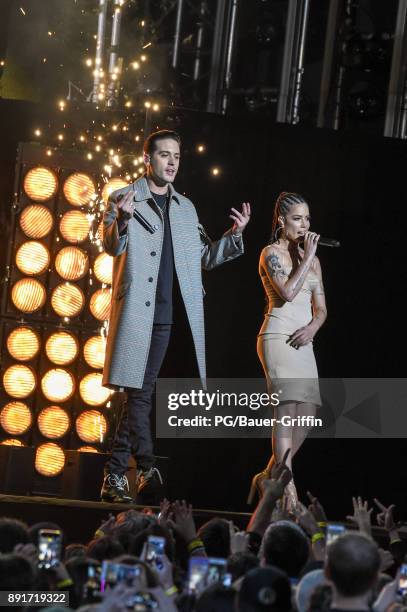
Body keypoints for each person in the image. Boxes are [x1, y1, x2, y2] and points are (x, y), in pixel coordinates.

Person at [100, 129, 251, 502]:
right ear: (147, 159)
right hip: (136, 310)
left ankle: (114, 477)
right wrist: (120, 220)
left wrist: (234, 236)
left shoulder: (186, 209)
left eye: (177, 157)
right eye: (164, 155)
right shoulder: (124, 197)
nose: (171, 162)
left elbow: (203, 258)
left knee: (140, 390)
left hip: (166, 315)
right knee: (139, 392)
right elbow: (110, 245)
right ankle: (147, 464)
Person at [248, 192, 327, 507]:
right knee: (286, 413)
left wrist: (312, 328)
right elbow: (289, 293)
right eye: (297, 218)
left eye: (307, 218)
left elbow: (320, 309)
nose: (304, 224)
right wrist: (306, 258)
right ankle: (287, 492)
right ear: (281, 221)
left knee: (307, 416)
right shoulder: (271, 253)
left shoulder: (315, 261)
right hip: (279, 338)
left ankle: (268, 475)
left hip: (304, 341)